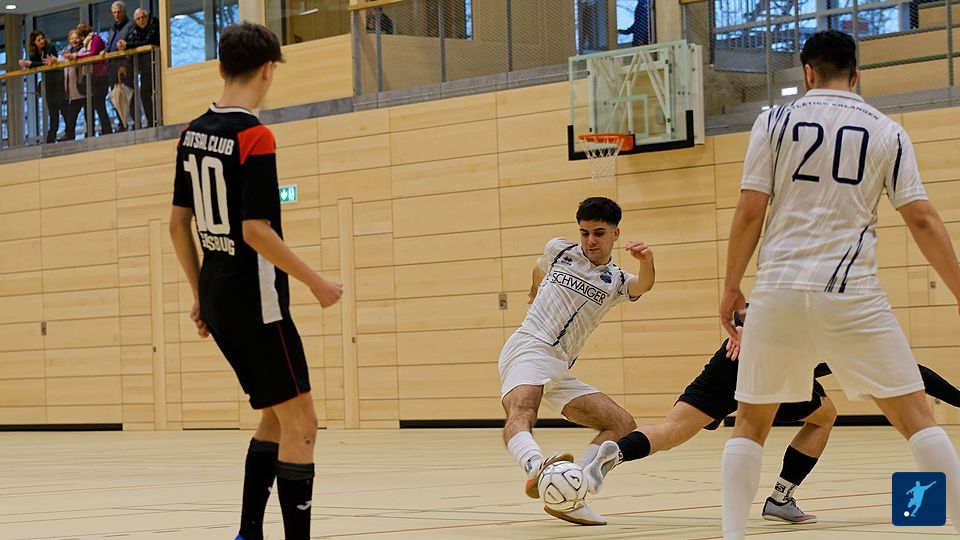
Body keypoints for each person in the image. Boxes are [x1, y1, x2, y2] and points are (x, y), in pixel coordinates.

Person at [718, 30, 960, 539]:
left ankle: (732, 535)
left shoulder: (772, 121)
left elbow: (749, 211)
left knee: (750, 424)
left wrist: (731, 286)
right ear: (857, 74)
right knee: (918, 420)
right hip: (852, 294)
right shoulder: (888, 131)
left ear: (807, 72)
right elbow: (922, 219)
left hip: (778, 291)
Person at [169, 22, 343, 540]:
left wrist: (199, 293)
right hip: (258, 301)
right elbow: (255, 231)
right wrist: (316, 282)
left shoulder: (191, 133)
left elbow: (178, 225)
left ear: (221, 67)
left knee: (275, 415)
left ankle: (249, 532)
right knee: (303, 427)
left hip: (219, 294)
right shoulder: (254, 135)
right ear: (268, 70)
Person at [583, 311, 960, 524]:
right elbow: (915, 373)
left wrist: (741, 327)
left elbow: (746, 309)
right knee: (825, 416)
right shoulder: (854, 336)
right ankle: (780, 498)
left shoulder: (807, 301)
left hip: (730, 357)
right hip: (773, 370)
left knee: (673, 428)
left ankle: (616, 453)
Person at [500, 196, 655, 526]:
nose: (590, 240)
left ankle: (573, 490)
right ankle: (536, 467)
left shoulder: (616, 280)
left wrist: (646, 261)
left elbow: (644, 285)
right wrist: (534, 290)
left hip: (560, 365)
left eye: (599, 233)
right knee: (522, 411)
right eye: (584, 233)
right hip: (529, 346)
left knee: (622, 425)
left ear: (615, 233)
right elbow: (539, 266)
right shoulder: (560, 250)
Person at [65, 23, 113, 136]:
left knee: (99, 105)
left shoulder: (94, 39)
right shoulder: (88, 42)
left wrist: (75, 56)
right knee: (99, 106)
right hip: (93, 78)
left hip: (99, 76)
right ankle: (105, 130)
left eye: (78, 37)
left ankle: (106, 131)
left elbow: (91, 54)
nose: (78, 40)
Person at [117, 8, 160, 128]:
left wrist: (129, 45)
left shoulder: (155, 25)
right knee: (144, 94)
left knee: (154, 93)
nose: (141, 21)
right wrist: (124, 44)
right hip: (144, 67)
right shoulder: (135, 29)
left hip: (156, 65)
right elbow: (132, 40)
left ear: (147, 17)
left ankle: (156, 121)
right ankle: (151, 122)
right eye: (138, 19)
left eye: (143, 17)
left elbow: (148, 41)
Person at [19, 30, 63, 144]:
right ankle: (51, 137)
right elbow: (35, 63)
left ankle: (65, 134)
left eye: (42, 38)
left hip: (57, 81)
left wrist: (31, 64)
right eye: (39, 40)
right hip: (48, 84)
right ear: (34, 43)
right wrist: (27, 64)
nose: (42, 41)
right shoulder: (35, 53)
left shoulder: (50, 47)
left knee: (62, 108)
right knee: (52, 111)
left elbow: (45, 63)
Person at [105, 1, 135, 130]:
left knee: (128, 94)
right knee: (115, 96)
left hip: (124, 64)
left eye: (119, 12)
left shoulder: (130, 25)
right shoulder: (112, 29)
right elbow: (110, 46)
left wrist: (125, 62)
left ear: (124, 12)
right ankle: (122, 123)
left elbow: (132, 43)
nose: (116, 15)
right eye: (114, 13)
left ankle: (135, 121)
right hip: (112, 66)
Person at [61, 30, 86, 141]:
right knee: (71, 116)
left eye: (76, 38)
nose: (74, 40)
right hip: (73, 91)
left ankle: (90, 134)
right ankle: (69, 135)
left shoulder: (83, 50)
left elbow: (81, 57)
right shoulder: (67, 54)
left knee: (88, 114)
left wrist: (71, 56)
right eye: (72, 38)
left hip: (83, 88)